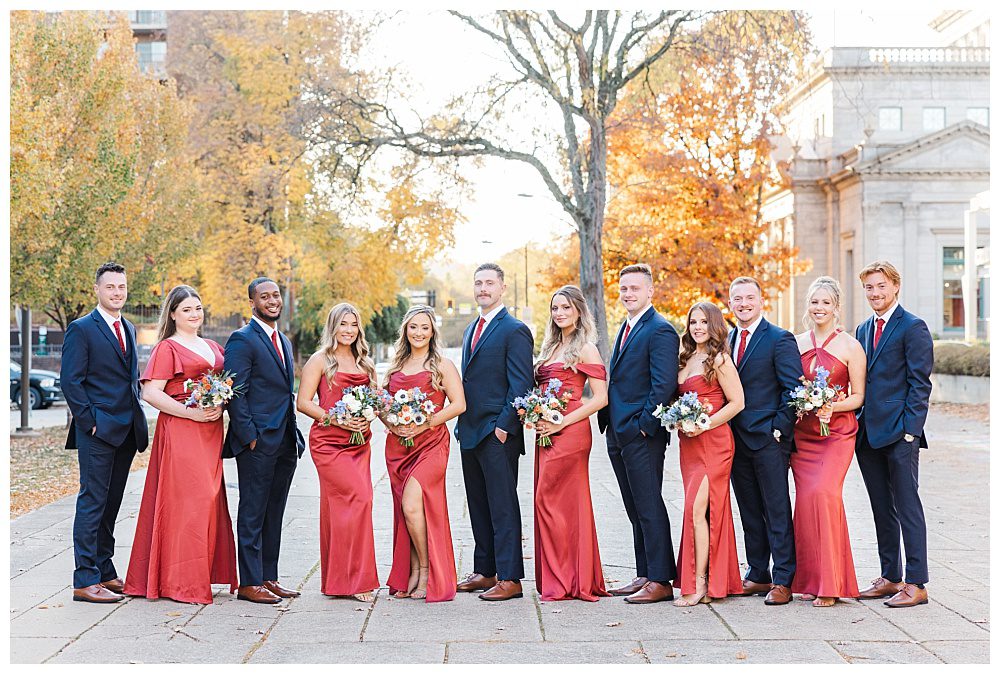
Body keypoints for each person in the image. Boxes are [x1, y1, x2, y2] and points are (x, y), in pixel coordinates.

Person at [124, 285, 238, 604]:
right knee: (189, 500)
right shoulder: (167, 348)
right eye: (187, 309)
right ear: (173, 314)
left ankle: (199, 574)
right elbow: (151, 393)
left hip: (211, 431)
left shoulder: (213, 345)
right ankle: (180, 582)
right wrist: (190, 412)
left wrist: (220, 404)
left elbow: (222, 385)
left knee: (210, 498)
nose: (194, 314)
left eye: (198, 308)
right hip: (181, 431)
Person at [61, 262, 150, 603]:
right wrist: (90, 422)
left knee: (111, 503)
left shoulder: (128, 327)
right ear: (97, 290)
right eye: (110, 287)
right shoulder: (82, 328)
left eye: (122, 287)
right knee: (92, 502)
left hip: (126, 430)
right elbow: (71, 380)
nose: (117, 292)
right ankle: (84, 579)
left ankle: (105, 570)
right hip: (98, 430)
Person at [597, 263, 679, 604]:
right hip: (617, 430)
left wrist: (643, 426)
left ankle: (661, 579)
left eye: (634, 288)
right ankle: (644, 572)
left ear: (650, 291)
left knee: (648, 504)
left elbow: (663, 385)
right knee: (633, 506)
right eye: (624, 288)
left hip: (640, 433)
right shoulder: (627, 326)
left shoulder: (660, 330)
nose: (628, 294)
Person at [854, 261, 933, 608]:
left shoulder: (913, 327)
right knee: (881, 507)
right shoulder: (861, 329)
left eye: (881, 286)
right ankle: (891, 577)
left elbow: (920, 385)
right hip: (867, 434)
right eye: (869, 287)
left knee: (907, 506)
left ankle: (917, 583)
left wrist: (910, 434)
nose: (875, 293)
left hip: (900, 434)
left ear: (895, 287)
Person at [223, 277, 305, 604]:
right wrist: (250, 437)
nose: (272, 300)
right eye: (264, 296)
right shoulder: (242, 339)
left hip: (285, 439)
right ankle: (249, 582)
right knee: (253, 511)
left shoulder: (282, 341)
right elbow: (234, 391)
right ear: (252, 303)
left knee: (275, 511)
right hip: (257, 442)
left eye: (276, 295)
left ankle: (269, 576)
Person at [455, 263, 534, 601]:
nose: (483, 288)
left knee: (502, 504)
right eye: (478, 283)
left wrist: (504, 427)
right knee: (478, 503)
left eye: (489, 283)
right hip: (470, 430)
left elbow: (521, 384)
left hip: (496, 432)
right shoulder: (471, 328)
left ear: (503, 288)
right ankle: (485, 570)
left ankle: (510, 577)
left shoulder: (514, 329)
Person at [727, 276, 804, 606]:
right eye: (737, 298)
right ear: (730, 304)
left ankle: (783, 578)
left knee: (776, 509)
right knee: (749, 510)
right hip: (733, 440)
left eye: (749, 298)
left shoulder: (779, 339)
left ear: (761, 302)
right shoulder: (725, 340)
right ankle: (758, 572)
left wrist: (778, 429)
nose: (743, 304)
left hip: (769, 439)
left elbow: (793, 390)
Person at [296, 303, 380, 602]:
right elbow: (303, 402)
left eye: (353, 324)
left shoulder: (365, 363)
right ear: (333, 327)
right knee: (360, 498)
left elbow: (377, 401)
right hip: (329, 444)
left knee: (347, 507)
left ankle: (343, 581)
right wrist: (336, 419)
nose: (348, 330)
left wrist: (369, 416)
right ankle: (354, 581)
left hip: (359, 444)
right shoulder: (320, 360)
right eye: (343, 324)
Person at [532, 285, 610, 602]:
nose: (559, 313)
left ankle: (567, 578)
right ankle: (561, 576)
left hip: (571, 431)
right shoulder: (549, 347)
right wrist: (536, 413)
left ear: (578, 311)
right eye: (555, 308)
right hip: (545, 432)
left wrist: (563, 419)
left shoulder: (586, 348)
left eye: (565, 307)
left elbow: (601, 398)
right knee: (551, 504)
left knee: (549, 501)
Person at [790, 277, 865, 607]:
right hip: (804, 435)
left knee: (825, 494)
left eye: (826, 303)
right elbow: (791, 389)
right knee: (806, 500)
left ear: (836, 307)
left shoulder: (850, 346)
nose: (819, 308)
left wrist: (830, 405)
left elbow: (859, 396)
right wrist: (803, 403)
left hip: (837, 434)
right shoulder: (794, 343)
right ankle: (809, 580)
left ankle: (832, 582)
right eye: (814, 302)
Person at [383, 305, 465, 602]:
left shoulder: (441, 364)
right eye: (413, 327)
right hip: (398, 448)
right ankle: (413, 570)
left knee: (412, 504)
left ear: (433, 332)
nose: (418, 333)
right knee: (407, 510)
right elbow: (382, 404)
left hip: (431, 445)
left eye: (424, 328)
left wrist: (422, 425)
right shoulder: (396, 365)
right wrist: (392, 424)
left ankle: (428, 569)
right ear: (405, 330)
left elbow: (458, 404)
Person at [672, 302, 745, 606]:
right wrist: (676, 418)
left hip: (714, 442)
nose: (698, 327)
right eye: (693, 322)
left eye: (704, 322)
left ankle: (700, 582)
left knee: (695, 509)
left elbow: (737, 402)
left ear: (714, 325)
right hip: (688, 444)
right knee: (698, 510)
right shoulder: (684, 358)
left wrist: (704, 424)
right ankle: (709, 577)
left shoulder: (720, 360)